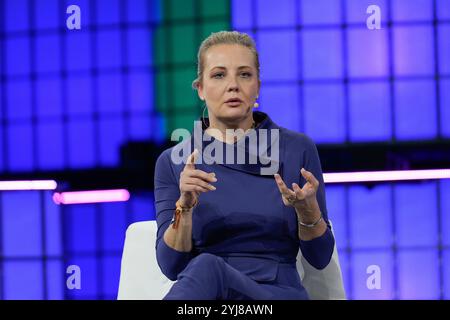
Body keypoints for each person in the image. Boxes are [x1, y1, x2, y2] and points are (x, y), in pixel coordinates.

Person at [154, 31, 335, 300]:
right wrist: (185, 207)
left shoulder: (296, 149)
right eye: (219, 75)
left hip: (275, 295)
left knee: (207, 266)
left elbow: (319, 257)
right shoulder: (176, 161)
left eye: (244, 74)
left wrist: (307, 212)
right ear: (201, 89)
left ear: (258, 86)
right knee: (206, 268)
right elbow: (171, 266)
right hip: (208, 298)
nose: (233, 85)